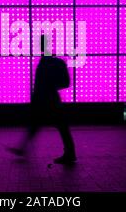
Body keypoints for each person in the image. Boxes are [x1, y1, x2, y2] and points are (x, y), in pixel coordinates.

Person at [7, 35, 76, 164]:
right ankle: (70, 153)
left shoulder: (50, 63)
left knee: (50, 126)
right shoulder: (52, 63)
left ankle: (70, 153)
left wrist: (46, 88)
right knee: (57, 126)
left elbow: (63, 82)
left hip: (47, 100)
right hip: (48, 100)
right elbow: (64, 82)